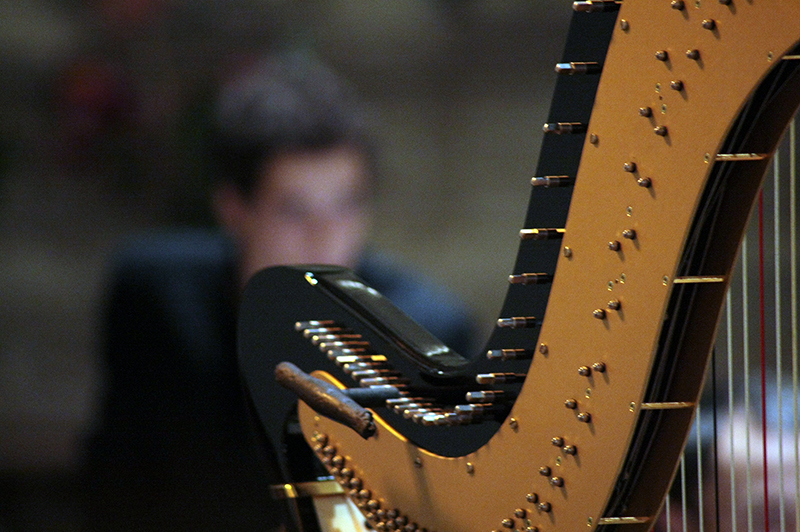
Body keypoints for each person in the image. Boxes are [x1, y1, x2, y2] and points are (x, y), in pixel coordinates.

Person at [84, 51, 477, 532]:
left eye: (346, 205)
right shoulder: (155, 298)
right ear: (233, 208)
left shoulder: (429, 327)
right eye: (295, 209)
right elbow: (116, 485)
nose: (326, 237)